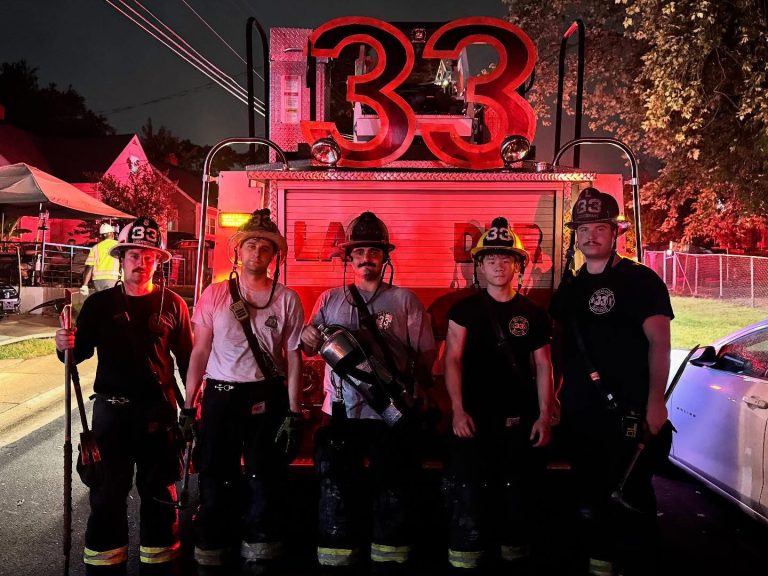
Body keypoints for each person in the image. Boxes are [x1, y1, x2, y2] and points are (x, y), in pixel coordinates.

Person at [55, 216, 193, 575]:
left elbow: (190, 360)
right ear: (122, 258)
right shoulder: (100, 305)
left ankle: (161, 567)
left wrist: (193, 408)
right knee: (105, 499)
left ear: (158, 261)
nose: (141, 262)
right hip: (111, 418)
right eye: (134, 254)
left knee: (160, 497)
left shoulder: (173, 304)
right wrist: (63, 345)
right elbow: (77, 354)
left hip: (159, 417)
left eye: (148, 256)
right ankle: (104, 568)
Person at [300, 211, 436, 576]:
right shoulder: (330, 300)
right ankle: (336, 557)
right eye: (359, 251)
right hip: (342, 413)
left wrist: (419, 394)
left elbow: (425, 355)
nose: (366, 258)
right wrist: (307, 337)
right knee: (336, 486)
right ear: (349, 257)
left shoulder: (405, 301)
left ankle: (389, 558)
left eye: (374, 252)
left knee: (393, 486)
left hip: (389, 413)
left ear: (384, 257)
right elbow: (307, 343)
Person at [549, 187, 673, 576]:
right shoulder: (570, 289)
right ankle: (599, 565)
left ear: (616, 232)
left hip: (630, 411)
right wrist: (553, 398)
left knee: (633, 495)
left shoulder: (641, 281)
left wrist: (656, 402)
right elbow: (559, 350)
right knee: (589, 495)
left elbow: (660, 343)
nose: (590, 236)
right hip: (581, 413)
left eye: (599, 227)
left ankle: (640, 566)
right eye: (583, 229)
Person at [183, 209, 304, 575]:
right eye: (250, 245)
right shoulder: (215, 294)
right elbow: (199, 351)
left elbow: (295, 358)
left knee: (264, 478)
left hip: (267, 399)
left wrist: (294, 412)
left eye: (265, 248)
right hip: (220, 397)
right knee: (214, 476)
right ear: (239, 252)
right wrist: (188, 406)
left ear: (273, 256)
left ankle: (260, 554)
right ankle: (211, 552)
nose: (257, 253)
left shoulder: (287, 300)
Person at [443, 216, 553, 574]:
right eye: (490, 259)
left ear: (518, 265)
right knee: (470, 493)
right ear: (479, 266)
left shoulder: (533, 315)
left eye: (506, 258)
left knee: (516, 495)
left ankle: (513, 560)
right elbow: (453, 362)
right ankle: (467, 560)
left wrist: (544, 415)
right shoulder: (463, 311)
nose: (498, 264)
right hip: (472, 424)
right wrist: (457, 411)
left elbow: (543, 367)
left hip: (519, 424)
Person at [81, 223, 120, 294]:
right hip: (113, 278)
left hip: (97, 280)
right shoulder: (118, 245)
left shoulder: (95, 248)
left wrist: (85, 285)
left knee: (101, 302)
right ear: (111, 233)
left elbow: (89, 266)